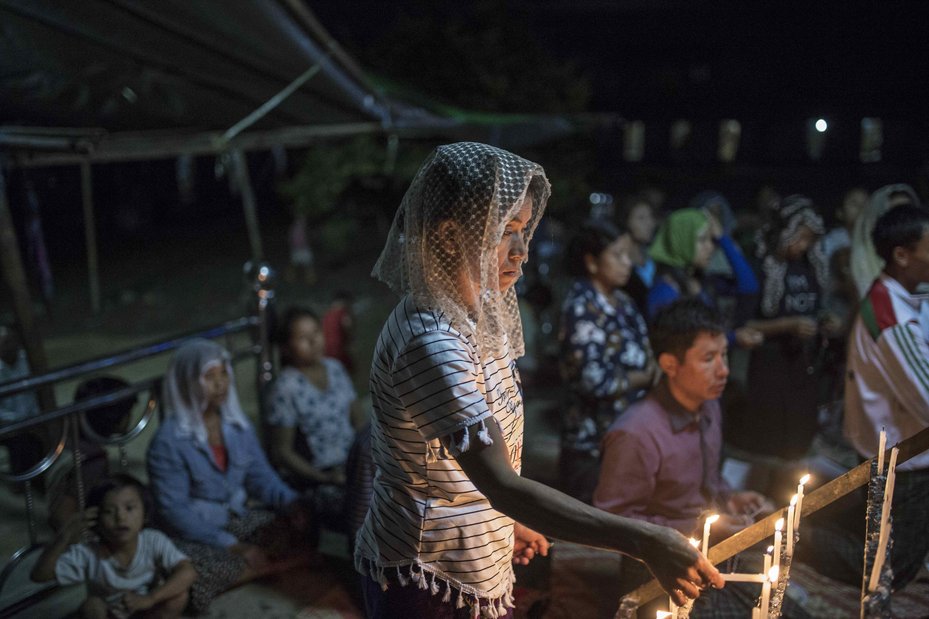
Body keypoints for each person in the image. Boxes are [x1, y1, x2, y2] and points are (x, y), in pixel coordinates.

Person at [355, 142, 722, 618]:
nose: (522, 252)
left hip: (469, 560)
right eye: (505, 231)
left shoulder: (475, 314)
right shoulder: (431, 342)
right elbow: (500, 481)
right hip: (428, 572)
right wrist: (642, 539)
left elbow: (483, 475)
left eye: (525, 229)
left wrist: (501, 523)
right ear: (448, 237)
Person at [593, 299, 800, 618]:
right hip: (657, 571)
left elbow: (708, 480)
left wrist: (730, 499)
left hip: (709, 552)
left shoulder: (708, 405)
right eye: (708, 359)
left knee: (786, 608)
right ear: (670, 365)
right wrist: (700, 527)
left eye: (724, 355)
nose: (724, 370)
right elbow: (612, 524)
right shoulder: (635, 433)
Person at [809, 204, 929, 591]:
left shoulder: (902, 294)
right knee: (887, 568)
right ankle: (796, 538)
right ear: (902, 255)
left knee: (887, 544)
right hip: (904, 459)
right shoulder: (889, 318)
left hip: (901, 451)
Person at [147, 339, 311, 614]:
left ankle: (255, 567)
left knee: (295, 525)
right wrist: (233, 546)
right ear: (187, 382)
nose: (220, 384)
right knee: (205, 567)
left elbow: (261, 477)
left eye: (224, 373)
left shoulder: (236, 425)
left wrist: (292, 502)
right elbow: (175, 511)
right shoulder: (169, 441)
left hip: (235, 518)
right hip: (195, 533)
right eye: (209, 377)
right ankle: (256, 568)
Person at [730, 196, 840, 465]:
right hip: (770, 367)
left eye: (809, 240)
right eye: (799, 238)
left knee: (798, 441)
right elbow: (743, 325)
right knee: (769, 444)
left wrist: (824, 321)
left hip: (803, 366)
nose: (803, 246)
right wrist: (788, 325)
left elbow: (815, 307)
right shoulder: (760, 266)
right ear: (784, 232)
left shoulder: (810, 265)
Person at [557, 219, 655, 504]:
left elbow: (644, 348)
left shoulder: (624, 302)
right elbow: (594, 381)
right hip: (592, 447)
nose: (627, 263)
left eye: (629, 254)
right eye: (618, 255)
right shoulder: (580, 307)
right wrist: (644, 377)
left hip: (627, 437)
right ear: (591, 262)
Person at [31, 474, 196, 619]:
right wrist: (64, 535)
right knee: (92, 606)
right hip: (109, 613)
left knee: (178, 596)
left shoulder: (152, 540)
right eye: (109, 511)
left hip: (145, 608)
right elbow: (40, 575)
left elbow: (187, 571)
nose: (120, 517)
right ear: (96, 518)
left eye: (129, 508)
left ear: (145, 514)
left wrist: (150, 599)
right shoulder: (90, 552)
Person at [265, 306, 363, 523]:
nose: (313, 341)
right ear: (285, 348)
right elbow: (283, 452)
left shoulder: (335, 369)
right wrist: (325, 477)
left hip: (352, 466)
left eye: (316, 333)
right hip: (318, 478)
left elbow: (360, 424)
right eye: (303, 338)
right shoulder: (286, 387)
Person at [646, 208, 762, 349]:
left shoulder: (701, 281)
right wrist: (732, 338)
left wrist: (722, 238)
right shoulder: (664, 292)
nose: (710, 247)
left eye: (711, 240)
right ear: (682, 242)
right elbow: (684, 344)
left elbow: (749, 287)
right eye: (702, 240)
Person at [47, 376, 138, 532]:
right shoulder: (93, 461)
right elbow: (63, 514)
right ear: (113, 420)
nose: (131, 418)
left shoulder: (64, 435)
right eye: (128, 413)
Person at [850, 184, 921, 298]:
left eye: (908, 213)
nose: (905, 221)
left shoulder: (922, 251)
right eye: (896, 214)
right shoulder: (863, 258)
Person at [617, 193, 658, 314]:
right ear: (625, 221)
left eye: (651, 217)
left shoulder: (652, 258)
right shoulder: (619, 263)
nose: (650, 224)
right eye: (641, 218)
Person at [322, 291, 356, 376]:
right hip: (339, 352)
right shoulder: (343, 313)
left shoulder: (326, 315)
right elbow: (348, 325)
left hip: (325, 353)